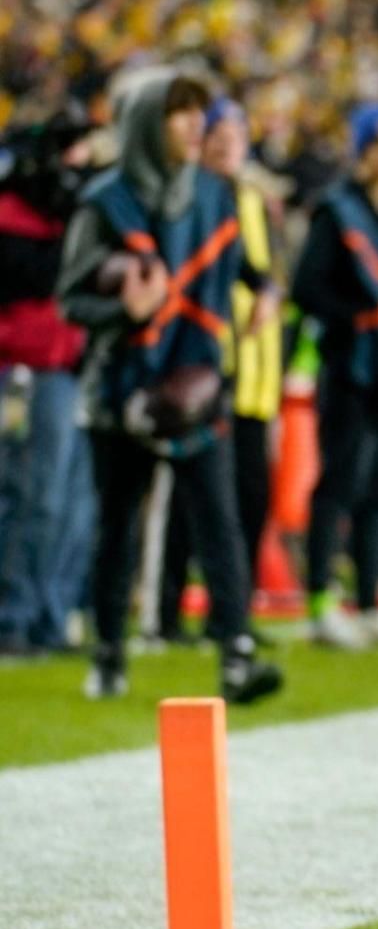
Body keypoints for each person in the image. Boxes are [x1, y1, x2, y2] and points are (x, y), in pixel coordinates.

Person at [54, 70, 281, 703]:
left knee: (219, 521)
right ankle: (108, 653)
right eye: (178, 112)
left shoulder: (214, 194)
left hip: (197, 380)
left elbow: (246, 268)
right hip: (121, 390)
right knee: (118, 527)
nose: (194, 124)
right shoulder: (104, 201)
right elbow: (69, 300)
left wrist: (264, 291)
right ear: (145, 124)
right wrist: (124, 311)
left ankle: (236, 654)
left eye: (197, 112)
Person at [292, 100, 378, 651]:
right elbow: (308, 288)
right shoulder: (336, 212)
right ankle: (321, 601)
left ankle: (373, 601)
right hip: (350, 367)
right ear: (361, 152)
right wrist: (356, 320)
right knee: (339, 484)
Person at [155, 96, 283, 642]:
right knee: (191, 500)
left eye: (237, 136)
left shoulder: (252, 201)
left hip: (254, 377)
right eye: (218, 135)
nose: (228, 145)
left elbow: (261, 273)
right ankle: (164, 613)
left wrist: (269, 293)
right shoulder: (186, 196)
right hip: (202, 366)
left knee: (251, 496)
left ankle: (231, 613)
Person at [0, 103, 96, 657]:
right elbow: (39, 278)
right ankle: (14, 615)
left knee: (71, 504)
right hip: (27, 369)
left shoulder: (69, 214)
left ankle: (52, 617)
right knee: (31, 495)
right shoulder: (12, 214)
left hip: (68, 366)